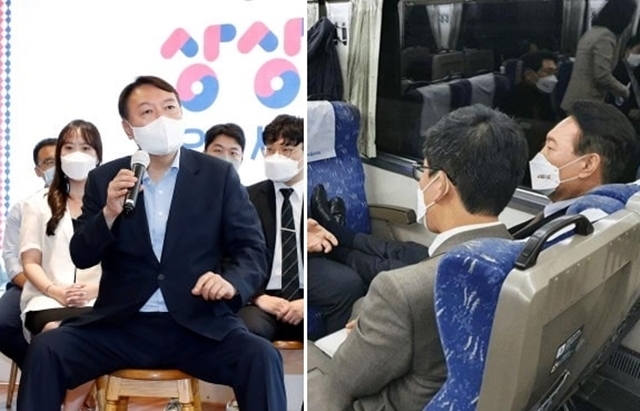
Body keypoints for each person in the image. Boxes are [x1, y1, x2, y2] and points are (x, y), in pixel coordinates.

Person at [16, 75, 286, 411]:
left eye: (169, 108)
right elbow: (82, 255)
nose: (161, 119)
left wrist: (230, 282)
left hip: (197, 325)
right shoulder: (105, 179)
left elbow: (251, 249)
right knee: (47, 349)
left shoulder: (218, 175)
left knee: (261, 357)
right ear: (129, 128)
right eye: (147, 112)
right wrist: (109, 214)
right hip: (121, 325)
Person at [308, 104, 529, 411]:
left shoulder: (402, 291)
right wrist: (378, 324)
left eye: (421, 172)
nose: (419, 182)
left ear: (439, 185)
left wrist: (379, 324)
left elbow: (345, 380)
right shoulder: (520, 255)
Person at [20, 120, 103, 411]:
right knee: (55, 332)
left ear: (98, 156)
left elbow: (127, 264)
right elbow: (29, 261)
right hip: (47, 299)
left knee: (96, 333)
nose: (76, 154)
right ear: (58, 155)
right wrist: (55, 290)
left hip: (98, 299)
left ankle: (72, 405)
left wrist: (92, 289)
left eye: (85, 147)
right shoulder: (37, 203)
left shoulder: (113, 203)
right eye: (69, 147)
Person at [511, 100, 637, 239]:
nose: (541, 155)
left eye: (551, 147)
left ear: (588, 165)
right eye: (543, 145)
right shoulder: (556, 216)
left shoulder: (570, 232)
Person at [240, 114, 305, 342]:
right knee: (248, 331)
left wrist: (306, 302)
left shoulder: (317, 194)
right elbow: (233, 255)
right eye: (270, 150)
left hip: (306, 293)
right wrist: (257, 297)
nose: (276, 157)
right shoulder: (247, 198)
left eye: (286, 150)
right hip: (263, 297)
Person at [0, 138, 56, 369]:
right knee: (3, 323)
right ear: (38, 170)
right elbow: (12, 260)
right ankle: (43, 374)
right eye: (49, 162)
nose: (57, 167)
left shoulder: (92, 203)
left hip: (76, 285)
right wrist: (42, 286)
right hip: (27, 284)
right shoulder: (24, 207)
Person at [561, 0, 637, 113]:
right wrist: (624, 90)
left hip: (575, 99)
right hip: (587, 103)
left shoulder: (593, 32)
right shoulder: (606, 37)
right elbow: (601, 76)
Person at [506, 50, 559, 122]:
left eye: (554, 73)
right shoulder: (510, 97)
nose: (553, 78)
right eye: (548, 72)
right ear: (528, 74)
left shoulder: (550, 99)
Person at [609, 35, 640, 131]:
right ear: (627, 50)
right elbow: (615, 100)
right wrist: (629, 111)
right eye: (638, 52)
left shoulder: (635, 72)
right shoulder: (619, 71)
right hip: (624, 119)